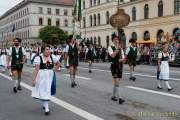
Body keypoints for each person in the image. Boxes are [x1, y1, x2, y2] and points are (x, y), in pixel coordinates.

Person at [31, 44, 60, 115]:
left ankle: (45, 105)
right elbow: (36, 69)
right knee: (44, 91)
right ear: (43, 50)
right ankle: (46, 108)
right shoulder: (39, 58)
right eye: (47, 49)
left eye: (49, 49)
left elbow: (58, 64)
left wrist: (54, 69)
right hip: (42, 77)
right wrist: (33, 80)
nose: (48, 51)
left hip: (50, 76)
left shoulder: (52, 57)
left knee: (47, 90)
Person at [108, 34, 125, 104]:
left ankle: (113, 96)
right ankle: (120, 98)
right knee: (117, 81)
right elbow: (112, 55)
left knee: (116, 82)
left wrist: (123, 60)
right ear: (112, 40)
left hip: (120, 66)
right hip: (114, 66)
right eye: (115, 39)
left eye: (117, 39)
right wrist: (117, 49)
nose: (116, 40)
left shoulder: (121, 49)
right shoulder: (110, 47)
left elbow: (123, 58)